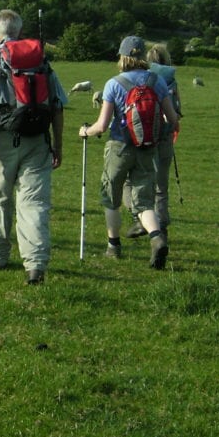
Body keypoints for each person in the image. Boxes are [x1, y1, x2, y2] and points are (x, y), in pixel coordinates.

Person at [0, 9, 68, 285]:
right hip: (38, 140)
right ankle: (35, 264)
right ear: (20, 32)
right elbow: (57, 107)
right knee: (34, 203)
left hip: (2, 141)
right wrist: (57, 145)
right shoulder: (41, 61)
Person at [77, 35, 180, 268]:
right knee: (144, 202)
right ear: (143, 55)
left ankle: (113, 246)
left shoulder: (114, 84)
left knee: (111, 198)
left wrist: (85, 131)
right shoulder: (157, 81)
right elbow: (172, 119)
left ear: (122, 57)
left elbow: (102, 125)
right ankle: (157, 237)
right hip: (147, 148)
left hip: (119, 147)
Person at [125, 41, 178, 237]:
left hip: (143, 135)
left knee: (132, 180)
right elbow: (176, 112)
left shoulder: (143, 79)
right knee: (161, 186)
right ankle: (161, 222)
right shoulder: (170, 80)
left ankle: (141, 218)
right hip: (165, 136)